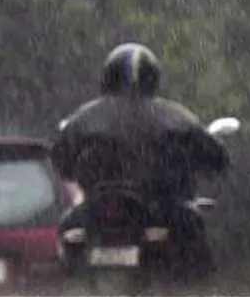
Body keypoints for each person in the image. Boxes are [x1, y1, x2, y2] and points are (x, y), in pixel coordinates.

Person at [50, 42, 230, 279]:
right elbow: (215, 156)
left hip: (100, 208)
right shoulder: (174, 116)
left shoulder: (85, 118)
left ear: (108, 76)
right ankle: (195, 286)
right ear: (152, 77)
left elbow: (61, 160)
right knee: (195, 231)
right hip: (159, 206)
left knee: (68, 228)